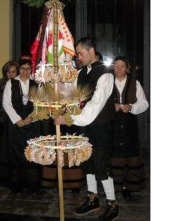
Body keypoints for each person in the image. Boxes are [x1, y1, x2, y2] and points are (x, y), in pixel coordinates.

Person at [55, 37, 119, 221]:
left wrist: (69, 118)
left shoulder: (106, 73)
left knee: (101, 165)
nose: (79, 58)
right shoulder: (82, 73)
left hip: (101, 126)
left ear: (91, 51)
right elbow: (72, 96)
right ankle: (93, 198)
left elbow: (95, 105)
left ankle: (112, 204)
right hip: (85, 126)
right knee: (87, 162)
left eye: (81, 54)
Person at [2, 56, 42, 193]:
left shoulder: (36, 84)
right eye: (22, 69)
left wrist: (31, 118)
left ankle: (33, 185)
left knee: (32, 152)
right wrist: (18, 120)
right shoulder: (11, 83)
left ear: (31, 70)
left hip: (32, 124)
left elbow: (40, 104)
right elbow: (6, 103)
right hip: (16, 125)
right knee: (17, 153)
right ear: (19, 69)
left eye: (28, 69)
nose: (25, 72)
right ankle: (18, 185)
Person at [111, 56, 149, 199]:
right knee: (115, 156)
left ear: (127, 68)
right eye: (116, 66)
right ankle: (116, 187)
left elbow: (144, 103)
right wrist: (111, 107)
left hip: (129, 126)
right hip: (113, 125)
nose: (119, 69)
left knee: (129, 156)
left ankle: (127, 187)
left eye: (122, 66)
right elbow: (100, 102)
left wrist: (131, 107)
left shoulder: (135, 83)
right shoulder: (107, 83)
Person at [0, 60, 18, 185]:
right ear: (5, 73)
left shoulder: (19, 84)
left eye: (13, 72)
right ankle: (4, 176)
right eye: (9, 72)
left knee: (14, 147)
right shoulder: (1, 84)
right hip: (3, 120)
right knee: (4, 148)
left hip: (15, 120)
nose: (11, 75)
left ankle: (14, 175)